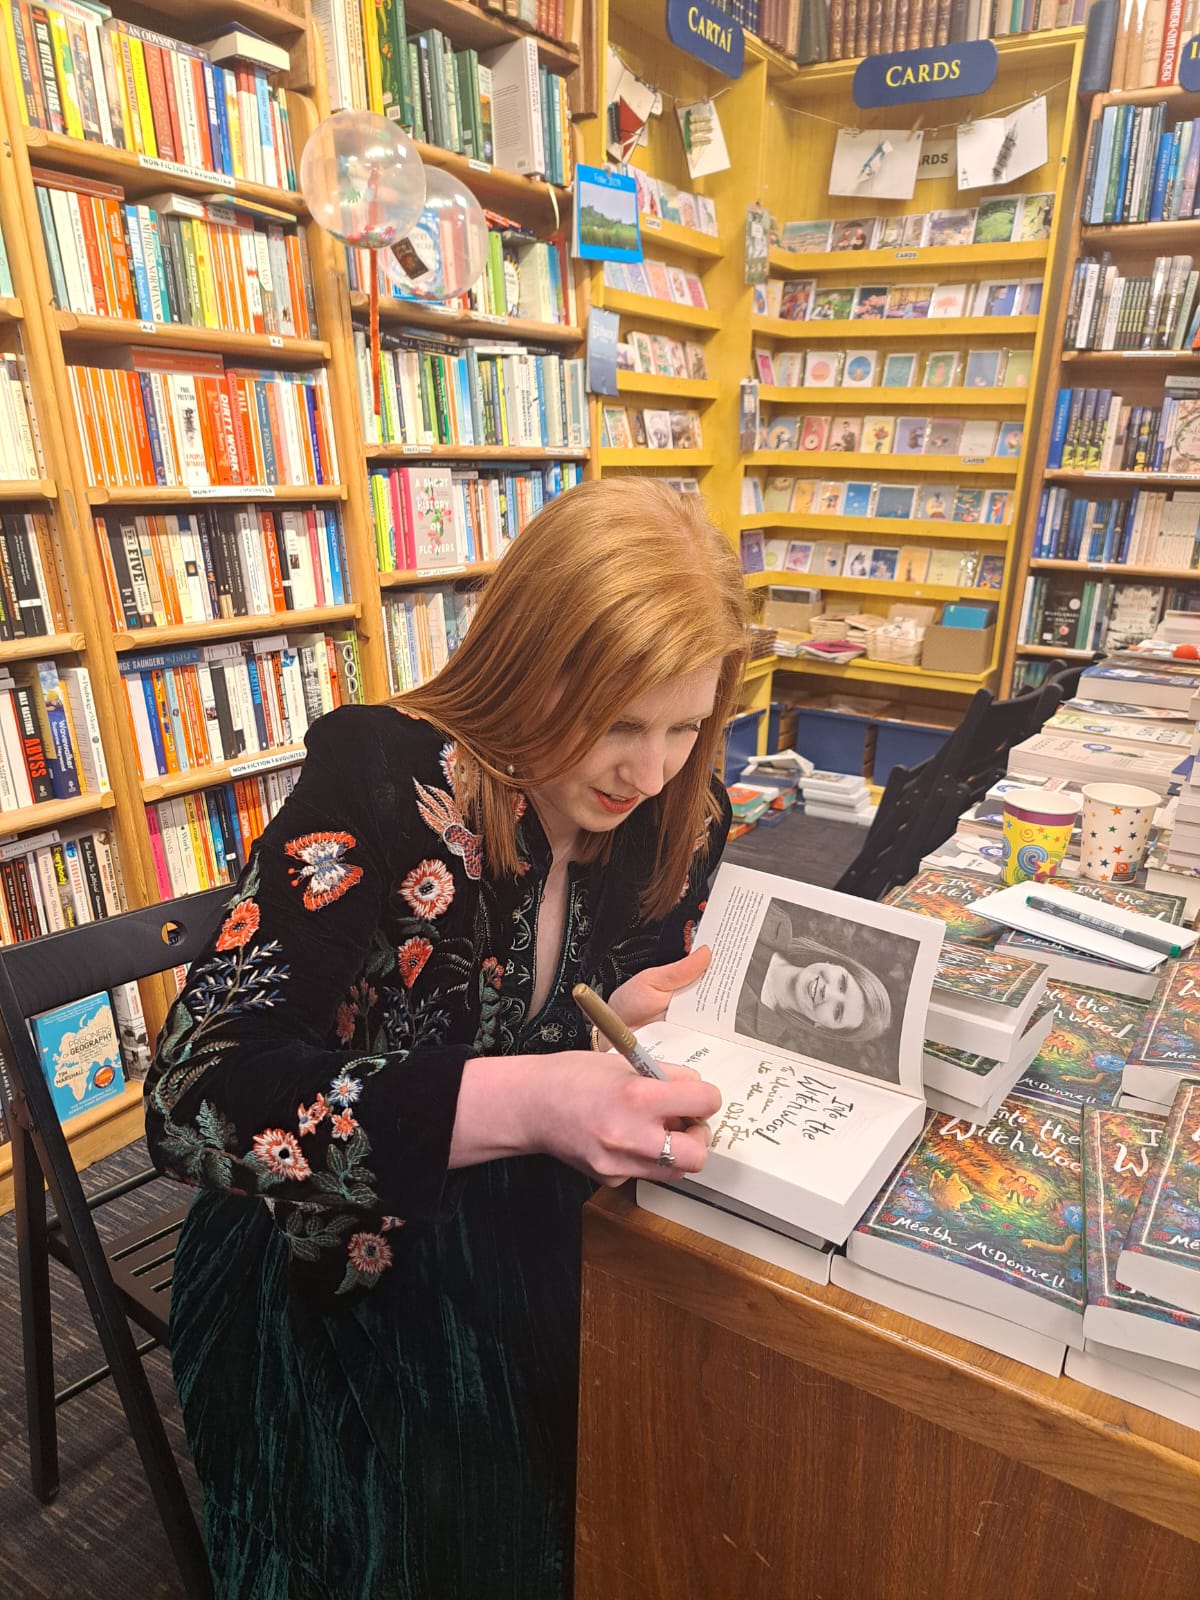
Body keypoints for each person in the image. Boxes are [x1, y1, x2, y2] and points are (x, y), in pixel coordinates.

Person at [144, 478, 749, 1600]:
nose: (651, 769)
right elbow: (192, 1098)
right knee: (470, 1507)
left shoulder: (681, 813)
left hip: (544, 1202)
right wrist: (532, 1096)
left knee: (699, 1426)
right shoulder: (381, 780)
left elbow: (572, 1001)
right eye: (618, 722)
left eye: (685, 725)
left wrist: (627, 1014)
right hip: (331, 1247)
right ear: (527, 665)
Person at [735, 901, 891, 1052]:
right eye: (842, 984)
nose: (828, 992)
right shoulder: (778, 923)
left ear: (822, 1027)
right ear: (836, 964)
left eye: (837, 1011)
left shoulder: (755, 1040)